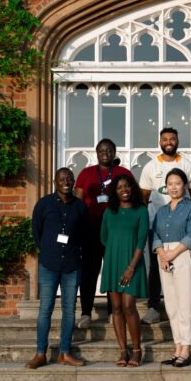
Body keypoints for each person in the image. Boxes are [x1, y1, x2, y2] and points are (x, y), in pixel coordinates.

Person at [26, 168, 87, 369]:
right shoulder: (43, 204)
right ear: (55, 182)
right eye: (62, 179)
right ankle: (40, 353)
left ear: (73, 181)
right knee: (45, 309)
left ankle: (65, 352)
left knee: (69, 311)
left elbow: (84, 233)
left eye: (69, 178)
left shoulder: (80, 206)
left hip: (71, 265)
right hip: (49, 264)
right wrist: (48, 250)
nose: (66, 182)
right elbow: (37, 232)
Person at [139, 128, 191, 324]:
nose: (168, 142)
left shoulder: (186, 164)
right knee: (157, 267)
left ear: (177, 140)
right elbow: (144, 196)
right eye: (165, 139)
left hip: (181, 227)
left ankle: (190, 307)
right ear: (160, 141)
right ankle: (153, 307)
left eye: (172, 139)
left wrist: (181, 214)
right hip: (157, 225)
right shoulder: (150, 166)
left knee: (186, 267)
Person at [75, 139, 133, 329]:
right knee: (89, 271)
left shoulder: (123, 173)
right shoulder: (87, 173)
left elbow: (133, 197)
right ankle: (85, 312)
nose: (105, 153)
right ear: (97, 152)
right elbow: (78, 200)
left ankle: (112, 311)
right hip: (91, 229)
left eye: (109, 150)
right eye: (101, 150)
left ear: (115, 152)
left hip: (116, 231)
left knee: (113, 271)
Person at [152, 168, 191, 367]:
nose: (173, 187)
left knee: (185, 304)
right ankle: (177, 345)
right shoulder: (162, 211)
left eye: (177, 183)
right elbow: (154, 234)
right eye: (170, 184)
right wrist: (162, 254)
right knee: (171, 305)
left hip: (183, 254)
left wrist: (172, 253)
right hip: (164, 257)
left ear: (185, 186)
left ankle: (186, 348)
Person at [100, 174, 149, 367]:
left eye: (127, 186)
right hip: (113, 263)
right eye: (119, 187)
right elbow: (104, 238)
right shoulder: (109, 212)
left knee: (129, 306)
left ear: (133, 188)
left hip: (133, 264)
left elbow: (141, 240)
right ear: (115, 191)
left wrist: (130, 267)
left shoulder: (141, 210)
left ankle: (137, 350)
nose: (124, 190)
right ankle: (123, 350)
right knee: (117, 308)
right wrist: (115, 254)